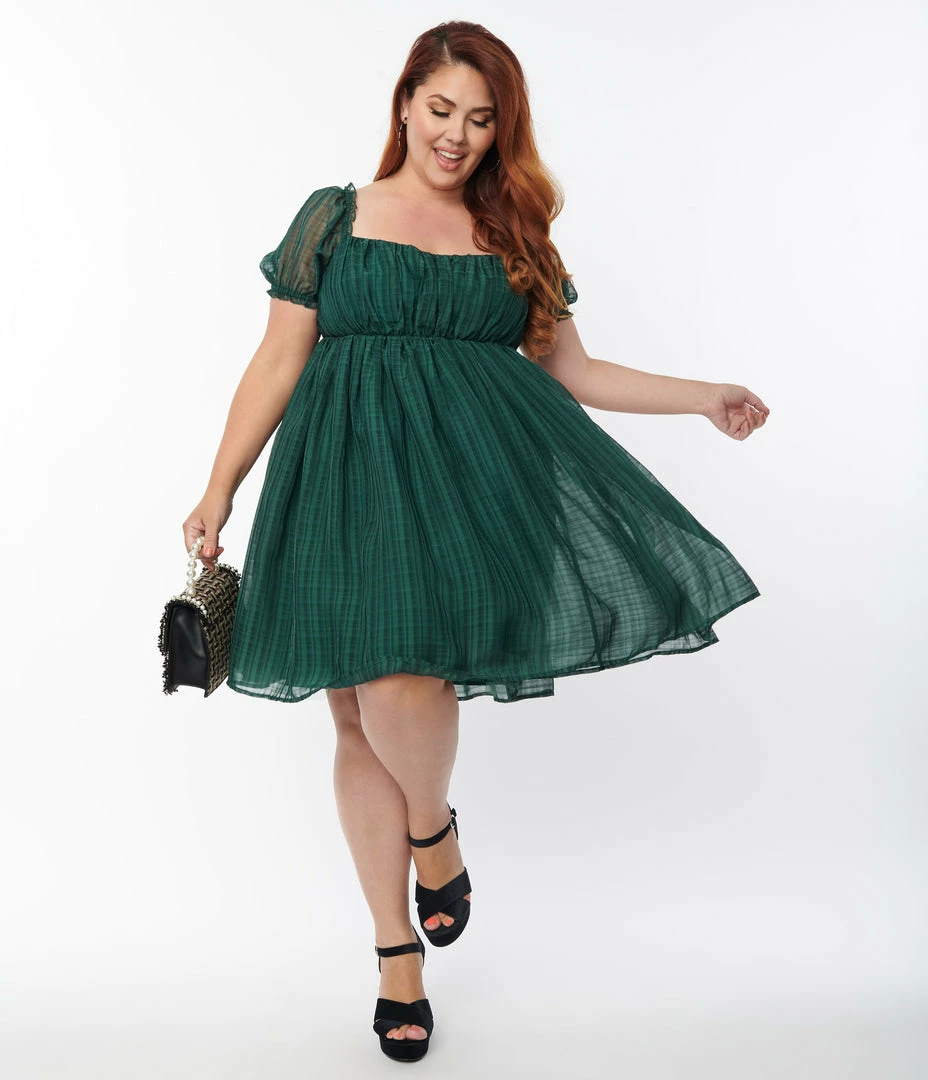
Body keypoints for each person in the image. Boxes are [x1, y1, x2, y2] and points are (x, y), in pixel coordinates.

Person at [182, 19, 769, 1062]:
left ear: (504, 131)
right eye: (441, 108)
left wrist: (702, 395)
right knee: (353, 715)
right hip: (338, 482)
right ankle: (394, 953)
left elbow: (574, 373)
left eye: (481, 119)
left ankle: (432, 827)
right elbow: (278, 360)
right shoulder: (334, 217)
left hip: (467, 491)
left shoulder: (513, 235)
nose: (456, 135)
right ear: (405, 103)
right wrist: (218, 488)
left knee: (403, 684)